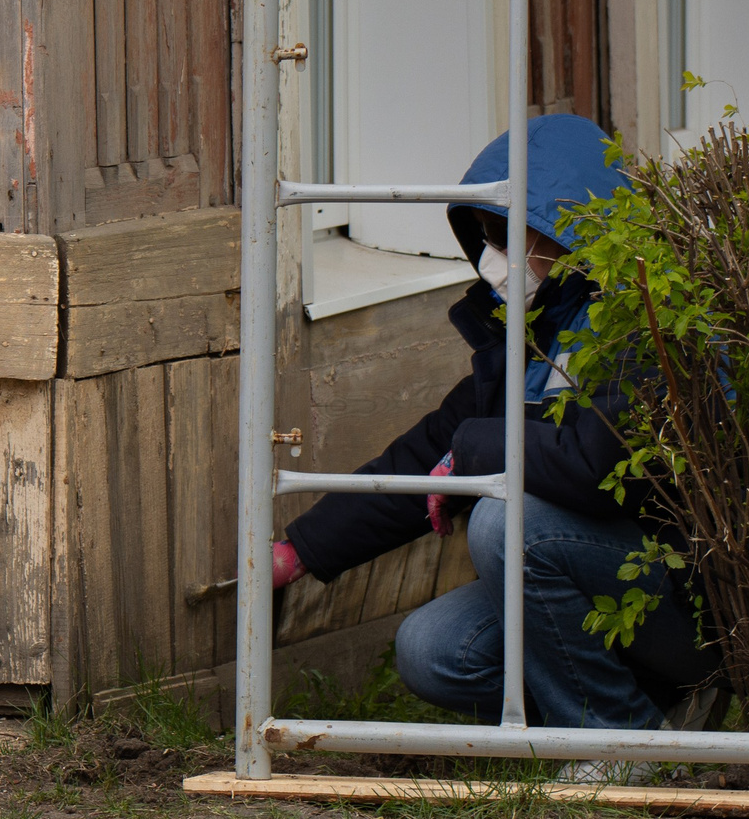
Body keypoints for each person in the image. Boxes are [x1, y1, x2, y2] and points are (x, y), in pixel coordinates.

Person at [276, 114, 711, 738]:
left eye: (507, 236)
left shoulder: (643, 316)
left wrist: (472, 450)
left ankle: (618, 738)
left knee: (506, 523)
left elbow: (597, 468)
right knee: (433, 650)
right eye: (484, 235)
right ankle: (651, 707)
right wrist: (302, 550)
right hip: (597, 588)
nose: (491, 259)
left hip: (685, 602)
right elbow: (432, 446)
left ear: (571, 230)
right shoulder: (537, 329)